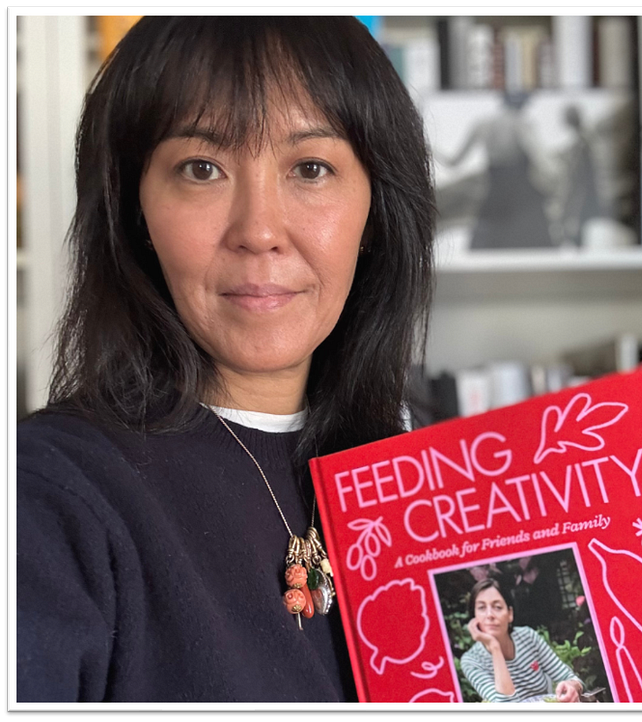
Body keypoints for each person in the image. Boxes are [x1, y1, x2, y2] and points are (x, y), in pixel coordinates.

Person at [16, 16, 435, 702]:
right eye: (202, 168)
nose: (260, 231)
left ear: (376, 214)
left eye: (310, 168)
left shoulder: (436, 476)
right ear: (134, 213)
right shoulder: (48, 498)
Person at [461, 579, 584, 703]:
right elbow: (506, 705)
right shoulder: (472, 660)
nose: (489, 615)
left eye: (497, 607)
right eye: (481, 608)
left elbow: (570, 678)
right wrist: (494, 647)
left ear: (510, 614)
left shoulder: (527, 637)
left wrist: (572, 686)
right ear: (474, 618)